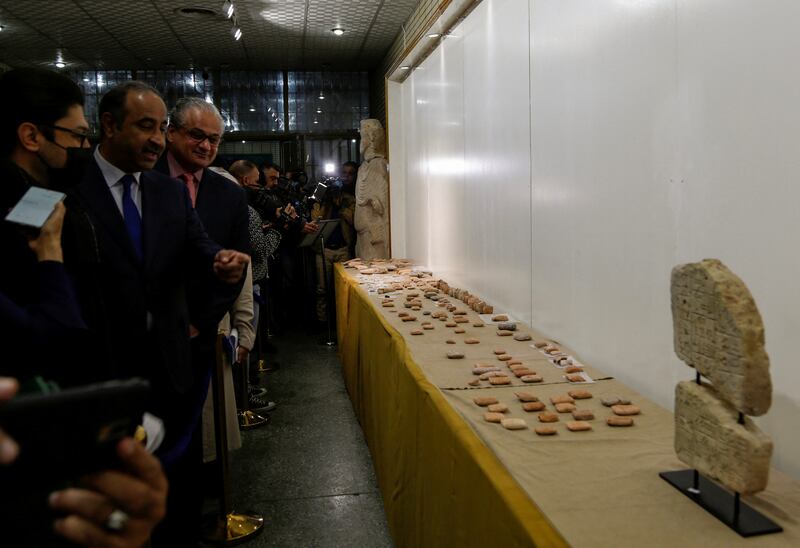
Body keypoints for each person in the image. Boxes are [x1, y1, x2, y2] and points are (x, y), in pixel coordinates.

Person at [62, 81, 248, 544]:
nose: (157, 140)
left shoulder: (167, 192)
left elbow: (200, 247)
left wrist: (221, 262)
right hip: (98, 370)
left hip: (171, 366)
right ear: (109, 125)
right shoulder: (64, 182)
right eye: (146, 126)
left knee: (176, 493)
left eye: (161, 128)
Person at [0, 68, 169, 547]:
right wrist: (51, 257)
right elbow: (54, 333)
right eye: (77, 136)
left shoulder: (46, 196)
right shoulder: (23, 204)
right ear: (31, 136)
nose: (84, 148)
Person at [311, 181, 355, 324]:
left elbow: (353, 220)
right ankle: (323, 321)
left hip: (343, 249)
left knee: (345, 287)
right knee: (322, 288)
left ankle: (344, 319)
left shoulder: (348, 201)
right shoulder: (320, 202)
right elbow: (315, 221)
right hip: (324, 250)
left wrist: (341, 206)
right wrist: (326, 203)